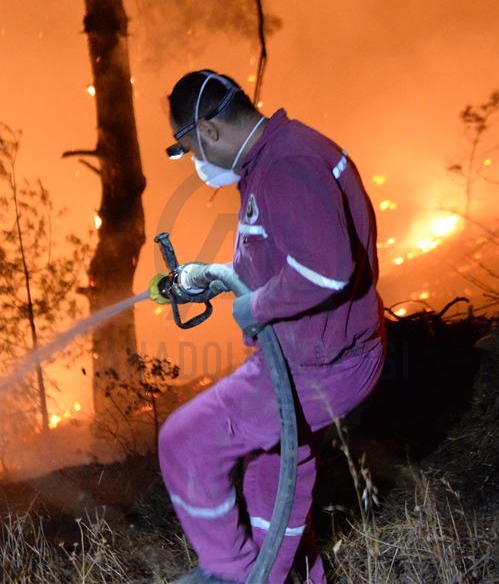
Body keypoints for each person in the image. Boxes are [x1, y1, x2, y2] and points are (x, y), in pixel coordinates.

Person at [159, 70, 386, 583]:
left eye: (191, 149)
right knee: (270, 489)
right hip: (318, 354)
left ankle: (235, 577)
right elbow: (285, 254)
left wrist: (255, 306)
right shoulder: (275, 157)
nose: (196, 163)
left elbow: (327, 270)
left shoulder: (286, 165)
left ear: (210, 132)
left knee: (185, 445)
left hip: (321, 365)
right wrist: (217, 276)